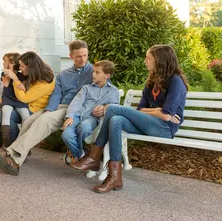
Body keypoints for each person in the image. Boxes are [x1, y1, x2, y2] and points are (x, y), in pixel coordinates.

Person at [71, 45, 188, 193]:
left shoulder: (175, 81)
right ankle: (115, 178)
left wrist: (159, 112)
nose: (145, 61)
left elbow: (166, 116)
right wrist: (157, 110)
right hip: (148, 124)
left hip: (164, 128)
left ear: (160, 60)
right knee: (116, 120)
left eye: (148, 58)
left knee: (113, 109)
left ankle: (94, 156)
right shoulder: (151, 81)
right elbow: (142, 109)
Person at [0, 40, 93, 176]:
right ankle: (16, 161)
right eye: (79, 56)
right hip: (59, 106)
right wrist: (49, 109)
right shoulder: (64, 74)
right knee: (29, 120)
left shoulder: (94, 72)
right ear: (71, 55)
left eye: (85, 55)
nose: (83, 59)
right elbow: (56, 94)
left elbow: (104, 90)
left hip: (75, 109)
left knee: (44, 120)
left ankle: (9, 154)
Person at [61, 60, 120, 163]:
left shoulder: (113, 91)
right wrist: (70, 116)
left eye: (97, 72)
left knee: (84, 127)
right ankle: (80, 153)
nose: (93, 74)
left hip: (92, 118)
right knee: (66, 135)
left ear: (107, 75)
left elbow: (115, 106)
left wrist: (105, 107)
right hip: (77, 116)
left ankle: (76, 154)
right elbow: (76, 103)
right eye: (93, 71)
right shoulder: (86, 88)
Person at [0, 53, 30, 148]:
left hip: (19, 101)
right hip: (8, 99)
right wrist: (10, 70)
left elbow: (24, 88)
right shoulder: (4, 73)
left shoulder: (22, 75)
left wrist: (13, 72)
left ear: (13, 63)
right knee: (5, 114)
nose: (3, 63)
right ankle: (5, 143)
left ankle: (25, 144)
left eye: (5, 61)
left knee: (26, 117)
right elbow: (6, 84)